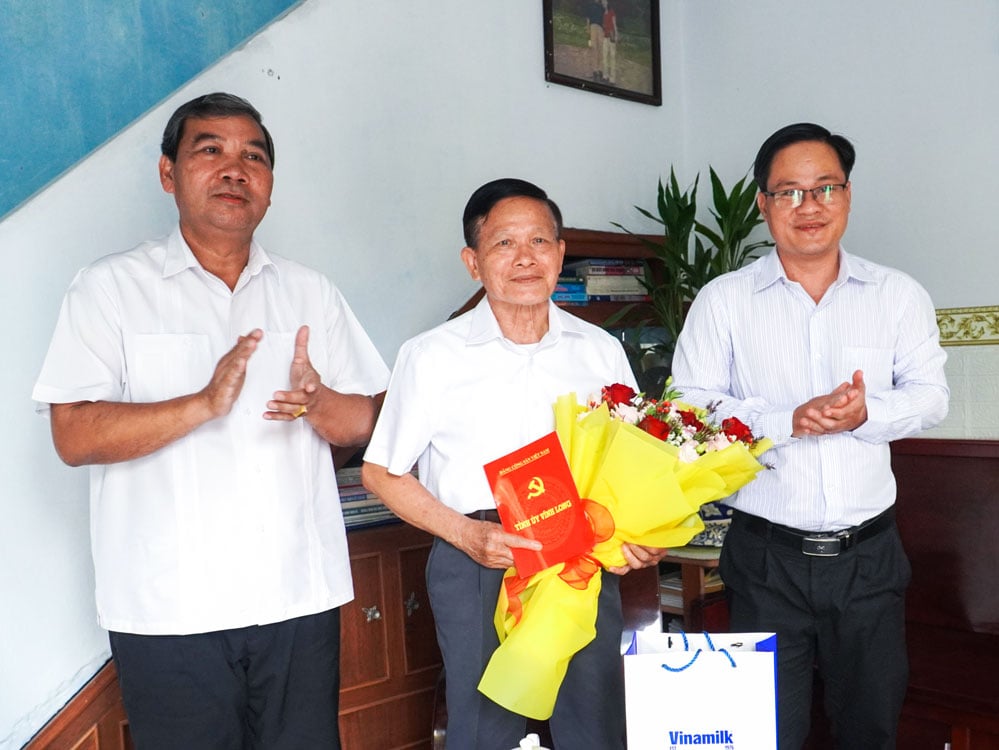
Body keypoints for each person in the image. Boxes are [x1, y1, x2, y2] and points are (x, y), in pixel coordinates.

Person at [32, 92, 389, 749]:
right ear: (169, 174)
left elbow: (365, 422)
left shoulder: (310, 291)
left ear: (270, 186)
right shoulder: (109, 288)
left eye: (252, 157)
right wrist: (200, 403)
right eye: (210, 152)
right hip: (169, 607)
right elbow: (73, 434)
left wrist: (318, 402)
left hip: (297, 596)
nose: (234, 169)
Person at [361, 178, 666, 750]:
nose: (525, 258)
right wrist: (466, 534)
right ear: (473, 262)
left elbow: (630, 461)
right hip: (478, 556)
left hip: (579, 556)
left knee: (594, 721)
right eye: (504, 244)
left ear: (559, 253)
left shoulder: (598, 349)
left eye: (540, 241)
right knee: (483, 729)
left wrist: (639, 535)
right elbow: (381, 472)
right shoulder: (431, 356)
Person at [671, 123, 949, 748]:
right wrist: (786, 421)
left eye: (825, 187)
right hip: (767, 559)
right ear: (764, 205)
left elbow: (931, 398)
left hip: (869, 559)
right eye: (789, 192)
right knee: (765, 733)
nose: (810, 205)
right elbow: (688, 409)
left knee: (869, 728)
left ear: (847, 195)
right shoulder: (724, 301)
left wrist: (864, 415)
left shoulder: (897, 295)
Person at [585, 0, 605, 82]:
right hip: (593, 26)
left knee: (601, 48)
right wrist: (587, 28)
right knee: (594, 48)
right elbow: (588, 18)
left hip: (600, 28)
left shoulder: (602, 7)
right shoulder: (590, 4)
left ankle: (600, 70)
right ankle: (594, 71)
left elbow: (604, 19)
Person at [601, 0, 619, 85]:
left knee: (612, 57)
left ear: (608, 2)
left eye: (605, 2)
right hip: (605, 37)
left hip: (611, 37)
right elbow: (603, 26)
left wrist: (616, 35)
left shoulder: (612, 12)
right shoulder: (603, 13)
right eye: (602, 2)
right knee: (604, 57)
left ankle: (613, 79)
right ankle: (605, 76)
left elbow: (614, 24)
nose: (603, 3)